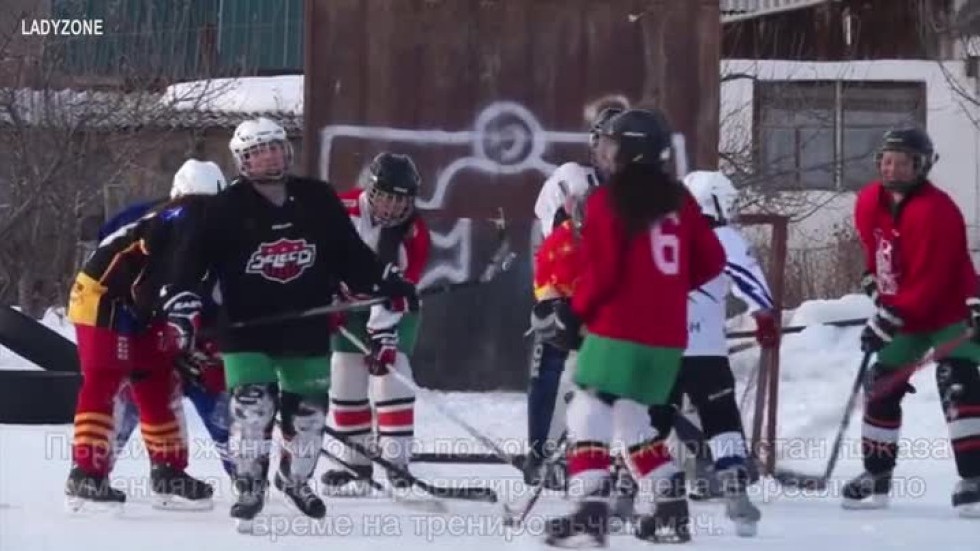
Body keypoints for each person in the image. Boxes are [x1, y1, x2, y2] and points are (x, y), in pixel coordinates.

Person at [158, 117, 419, 529]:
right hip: (247, 328)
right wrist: (182, 304)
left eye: (275, 147)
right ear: (243, 160)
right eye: (259, 151)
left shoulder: (316, 198)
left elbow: (348, 254)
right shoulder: (223, 209)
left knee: (309, 416)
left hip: (306, 326)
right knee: (253, 407)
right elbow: (190, 266)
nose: (269, 157)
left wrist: (384, 282)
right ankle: (249, 485)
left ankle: (294, 479)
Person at [542, 108, 726, 547]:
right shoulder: (681, 199)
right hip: (666, 340)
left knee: (587, 409)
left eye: (611, 147)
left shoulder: (607, 201)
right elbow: (712, 261)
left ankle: (590, 509)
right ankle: (669, 504)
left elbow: (602, 274)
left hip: (618, 330)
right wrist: (666, 287)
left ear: (631, 152)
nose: (605, 155)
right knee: (632, 419)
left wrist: (573, 313)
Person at [64, 160, 226, 511]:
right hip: (103, 297)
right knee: (105, 379)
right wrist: (180, 325)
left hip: (142, 306)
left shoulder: (177, 219)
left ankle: (168, 471)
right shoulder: (179, 220)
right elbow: (160, 282)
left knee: (158, 380)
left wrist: (181, 331)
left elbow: (159, 287)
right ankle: (86, 475)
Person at [848, 127, 980, 517]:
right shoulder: (868, 201)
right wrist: (873, 285)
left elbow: (932, 281)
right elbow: (877, 255)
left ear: (921, 167)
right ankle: (877, 474)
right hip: (907, 311)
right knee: (880, 382)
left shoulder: (937, 211)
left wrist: (888, 316)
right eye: (888, 160)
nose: (894, 168)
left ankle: (974, 478)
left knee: (958, 380)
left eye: (904, 162)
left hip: (949, 309)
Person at [643, 170, 773, 535]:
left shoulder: (660, 233)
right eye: (728, 203)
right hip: (706, 352)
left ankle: (633, 494)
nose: (731, 211)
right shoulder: (724, 238)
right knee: (721, 420)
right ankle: (735, 493)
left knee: (649, 424)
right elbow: (751, 284)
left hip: (660, 349)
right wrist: (764, 318)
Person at [108, 160, 236, 479]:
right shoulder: (144, 225)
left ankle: (245, 479)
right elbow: (120, 284)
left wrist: (210, 335)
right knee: (135, 398)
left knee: (217, 400)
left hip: (198, 336)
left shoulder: (226, 231)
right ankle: (94, 474)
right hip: (143, 331)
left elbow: (225, 292)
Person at [524, 100, 625, 489]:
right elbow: (556, 237)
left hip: (612, 299)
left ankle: (610, 455)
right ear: (594, 146)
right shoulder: (572, 179)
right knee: (548, 368)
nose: (614, 156)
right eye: (607, 146)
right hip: (563, 290)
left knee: (606, 380)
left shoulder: (641, 194)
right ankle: (539, 454)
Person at [321, 152, 431, 494]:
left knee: (391, 376)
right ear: (371, 190)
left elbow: (398, 289)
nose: (393, 207)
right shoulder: (341, 211)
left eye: (402, 200)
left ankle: (396, 464)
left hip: (395, 308)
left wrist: (383, 335)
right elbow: (319, 258)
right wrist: (328, 301)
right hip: (345, 306)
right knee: (345, 376)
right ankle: (357, 463)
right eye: (386, 197)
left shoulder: (415, 233)